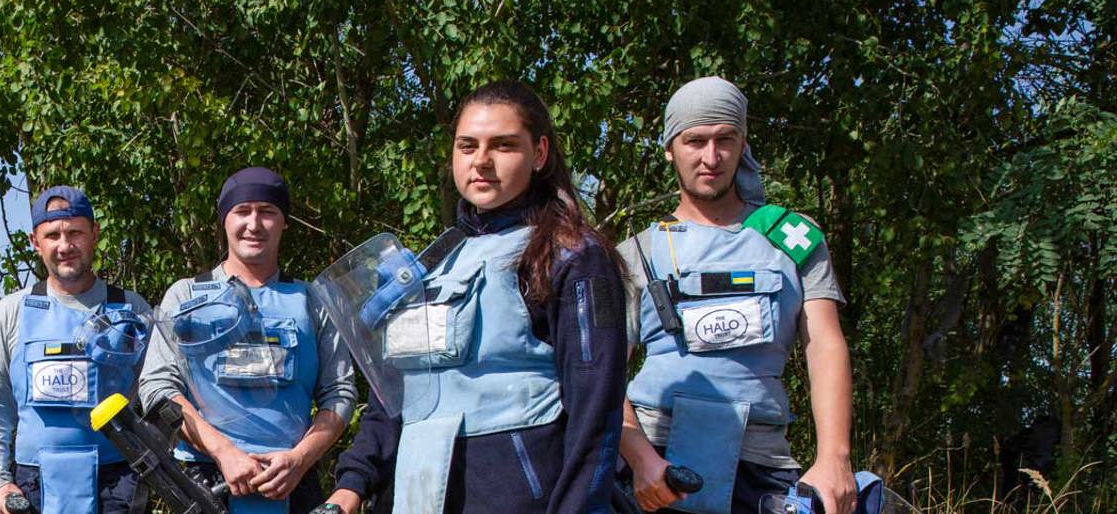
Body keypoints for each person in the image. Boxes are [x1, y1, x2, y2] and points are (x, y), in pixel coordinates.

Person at [317, 81, 629, 513]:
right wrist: (352, 484)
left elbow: (597, 413)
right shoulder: (433, 262)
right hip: (417, 495)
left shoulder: (573, 256)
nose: (481, 161)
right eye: (467, 146)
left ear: (539, 154)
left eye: (503, 146)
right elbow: (396, 397)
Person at [617, 77, 859, 514]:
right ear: (670, 147)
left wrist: (834, 460)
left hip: (762, 467)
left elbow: (824, 343)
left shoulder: (794, 237)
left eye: (725, 140)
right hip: (656, 468)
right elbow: (602, 374)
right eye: (695, 141)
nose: (711, 157)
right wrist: (639, 457)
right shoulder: (636, 252)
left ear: (743, 143)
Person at [136, 167, 356, 514]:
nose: (254, 224)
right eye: (242, 211)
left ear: (284, 222)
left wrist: (300, 459)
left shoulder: (312, 300)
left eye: (267, 212)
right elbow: (158, 386)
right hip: (203, 482)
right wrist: (223, 452)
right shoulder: (185, 295)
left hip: (292, 481)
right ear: (224, 220)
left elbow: (340, 392)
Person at [0, 186, 155, 514]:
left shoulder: (132, 310)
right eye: (53, 235)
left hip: (116, 488)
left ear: (94, 234)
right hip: (32, 488)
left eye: (75, 233)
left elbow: (160, 398)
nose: (64, 245)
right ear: (35, 242)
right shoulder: (12, 311)